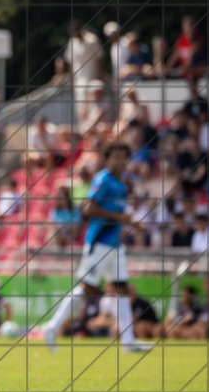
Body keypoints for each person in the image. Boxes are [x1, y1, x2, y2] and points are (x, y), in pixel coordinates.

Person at [41, 143, 153, 352]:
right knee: (87, 288)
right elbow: (87, 207)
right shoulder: (103, 179)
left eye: (123, 157)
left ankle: (128, 341)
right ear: (108, 159)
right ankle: (52, 326)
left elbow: (116, 212)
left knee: (122, 290)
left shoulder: (121, 183)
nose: (120, 161)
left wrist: (129, 222)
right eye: (116, 157)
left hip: (115, 246)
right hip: (99, 243)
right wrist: (119, 217)